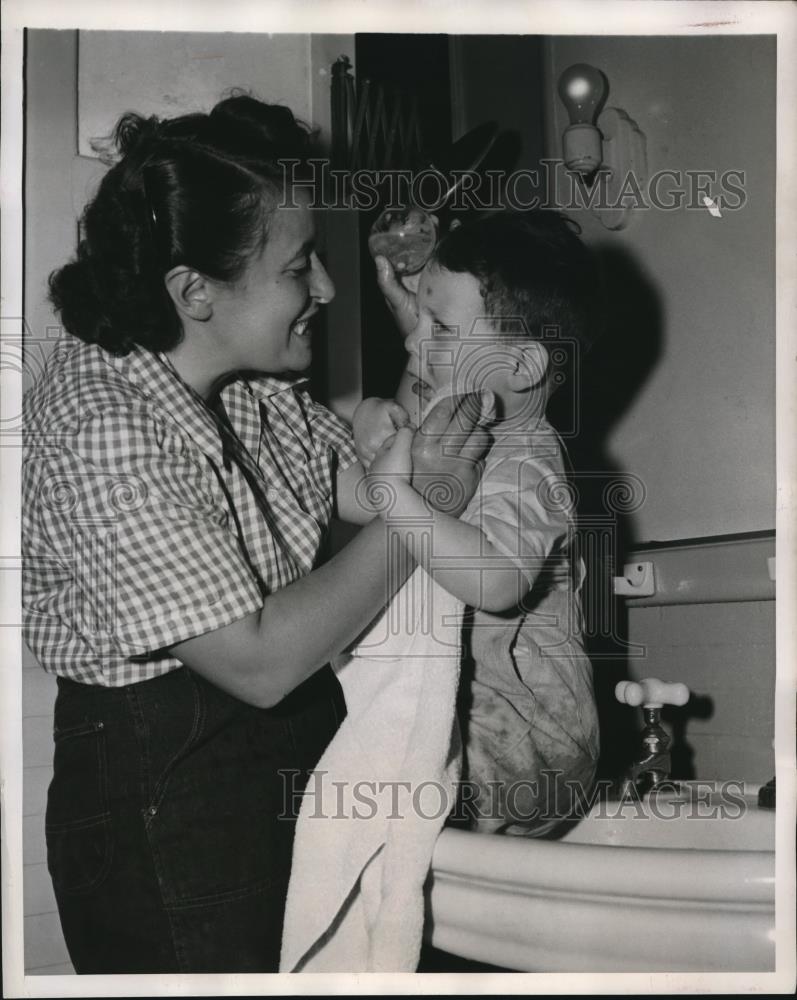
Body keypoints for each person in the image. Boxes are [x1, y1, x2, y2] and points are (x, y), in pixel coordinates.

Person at [21, 95, 489, 974]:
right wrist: (419, 508)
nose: (326, 290)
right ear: (194, 291)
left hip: (274, 760)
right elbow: (263, 663)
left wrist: (424, 331)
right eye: (299, 266)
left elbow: (372, 488)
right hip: (163, 790)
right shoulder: (99, 423)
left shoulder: (250, 387)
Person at [356, 210, 602, 835]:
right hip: (491, 727)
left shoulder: (530, 462)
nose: (414, 342)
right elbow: (384, 478)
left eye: (439, 329)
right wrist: (372, 433)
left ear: (521, 368)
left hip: (531, 737)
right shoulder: (476, 430)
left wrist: (392, 491)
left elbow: (495, 581)